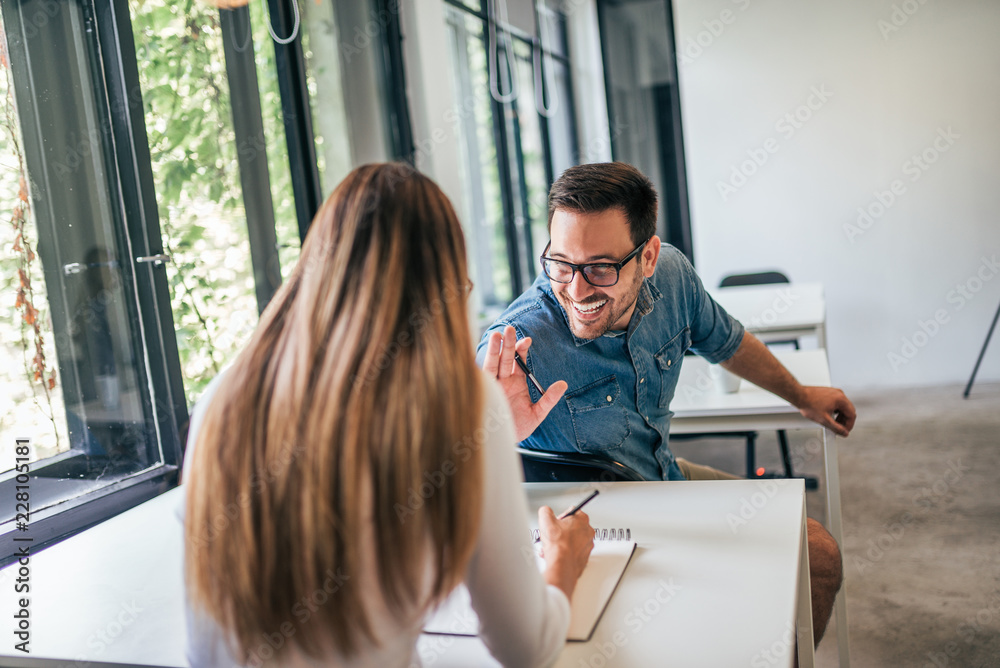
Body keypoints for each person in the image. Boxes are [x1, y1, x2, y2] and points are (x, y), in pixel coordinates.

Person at [183, 163, 595, 668]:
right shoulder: (456, 400)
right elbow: (526, 648)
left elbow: (205, 650)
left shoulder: (221, 400)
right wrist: (564, 562)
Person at [477, 161, 856, 644]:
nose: (575, 288)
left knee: (818, 555)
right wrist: (490, 435)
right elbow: (439, 467)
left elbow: (727, 341)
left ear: (648, 258)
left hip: (662, 479)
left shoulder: (673, 278)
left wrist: (801, 396)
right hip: (595, 528)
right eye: (560, 262)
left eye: (600, 267)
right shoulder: (517, 341)